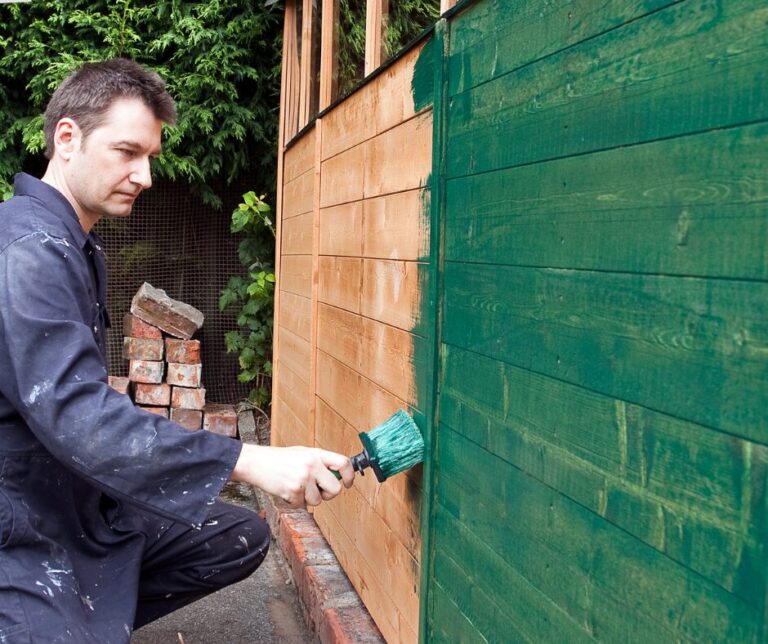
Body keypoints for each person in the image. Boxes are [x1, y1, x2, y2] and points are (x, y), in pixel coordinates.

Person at [0, 58, 354, 643]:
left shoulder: (73, 243)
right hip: (21, 520)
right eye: (127, 151)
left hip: (79, 500)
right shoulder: (27, 252)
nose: (143, 175)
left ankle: (83, 615)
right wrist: (248, 460)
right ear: (66, 137)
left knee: (235, 537)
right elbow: (80, 417)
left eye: (150, 157)